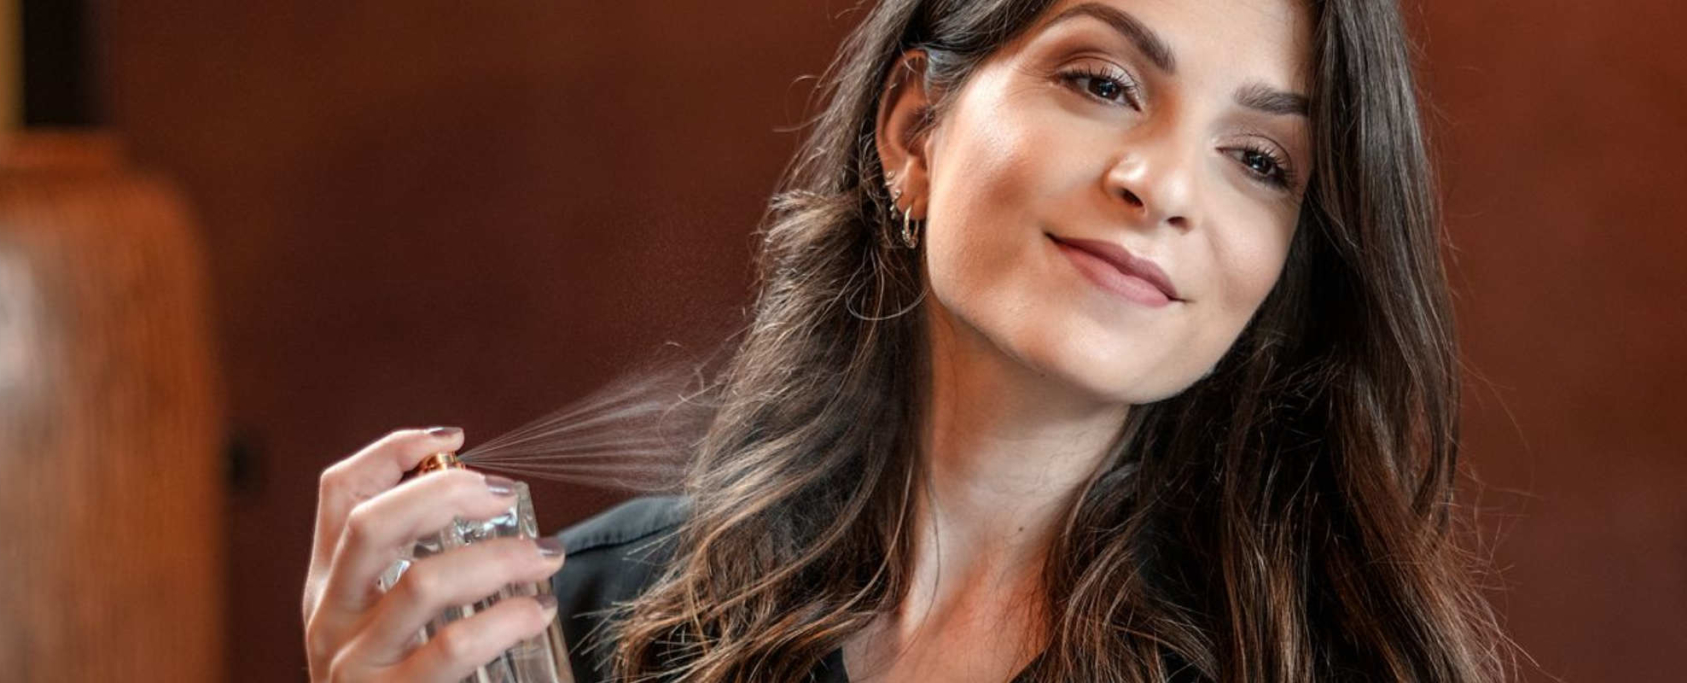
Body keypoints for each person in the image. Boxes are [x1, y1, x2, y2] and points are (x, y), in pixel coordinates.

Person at [302, 0, 1506, 680]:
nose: (1163, 184)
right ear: (916, 128)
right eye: (1101, 83)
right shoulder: (585, 615)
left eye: (1258, 160)